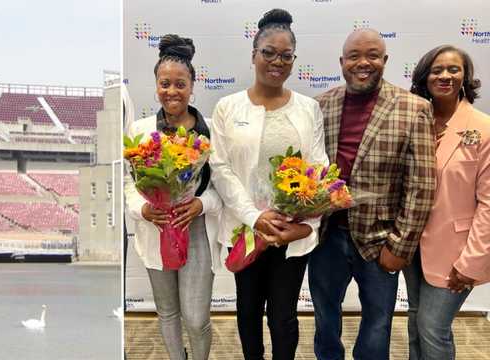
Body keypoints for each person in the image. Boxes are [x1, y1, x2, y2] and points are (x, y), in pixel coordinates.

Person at [308, 28, 436, 360]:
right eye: (354, 56)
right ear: (341, 62)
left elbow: (421, 186)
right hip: (326, 239)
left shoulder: (414, 108)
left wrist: (401, 245)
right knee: (324, 319)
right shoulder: (320, 105)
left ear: (385, 60)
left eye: (372, 56)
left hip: (381, 241)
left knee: (378, 324)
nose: (363, 63)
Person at [209, 9, 328, 360]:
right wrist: (253, 217)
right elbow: (220, 168)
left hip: (290, 233)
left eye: (286, 56)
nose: (277, 61)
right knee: (247, 313)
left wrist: (307, 225)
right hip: (244, 232)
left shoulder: (308, 108)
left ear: (293, 60)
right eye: (269, 53)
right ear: (254, 55)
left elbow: (318, 170)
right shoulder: (227, 107)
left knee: (283, 317)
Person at [124, 34, 223, 360]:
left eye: (180, 84)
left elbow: (222, 186)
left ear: (192, 85)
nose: (172, 91)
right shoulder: (139, 132)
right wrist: (143, 208)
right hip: (157, 229)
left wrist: (200, 204)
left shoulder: (209, 134)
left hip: (195, 230)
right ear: (156, 85)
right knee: (167, 313)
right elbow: (128, 182)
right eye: (164, 83)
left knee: (195, 319)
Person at [403, 44, 490, 360]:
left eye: (453, 69)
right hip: (411, 246)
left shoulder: (483, 127)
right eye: (437, 70)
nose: (445, 76)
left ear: (465, 76)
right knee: (415, 322)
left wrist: (472, 262)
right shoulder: (415, 120)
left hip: (457, 251)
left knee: (432, 329)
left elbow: (488, 204)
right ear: (424, 77)